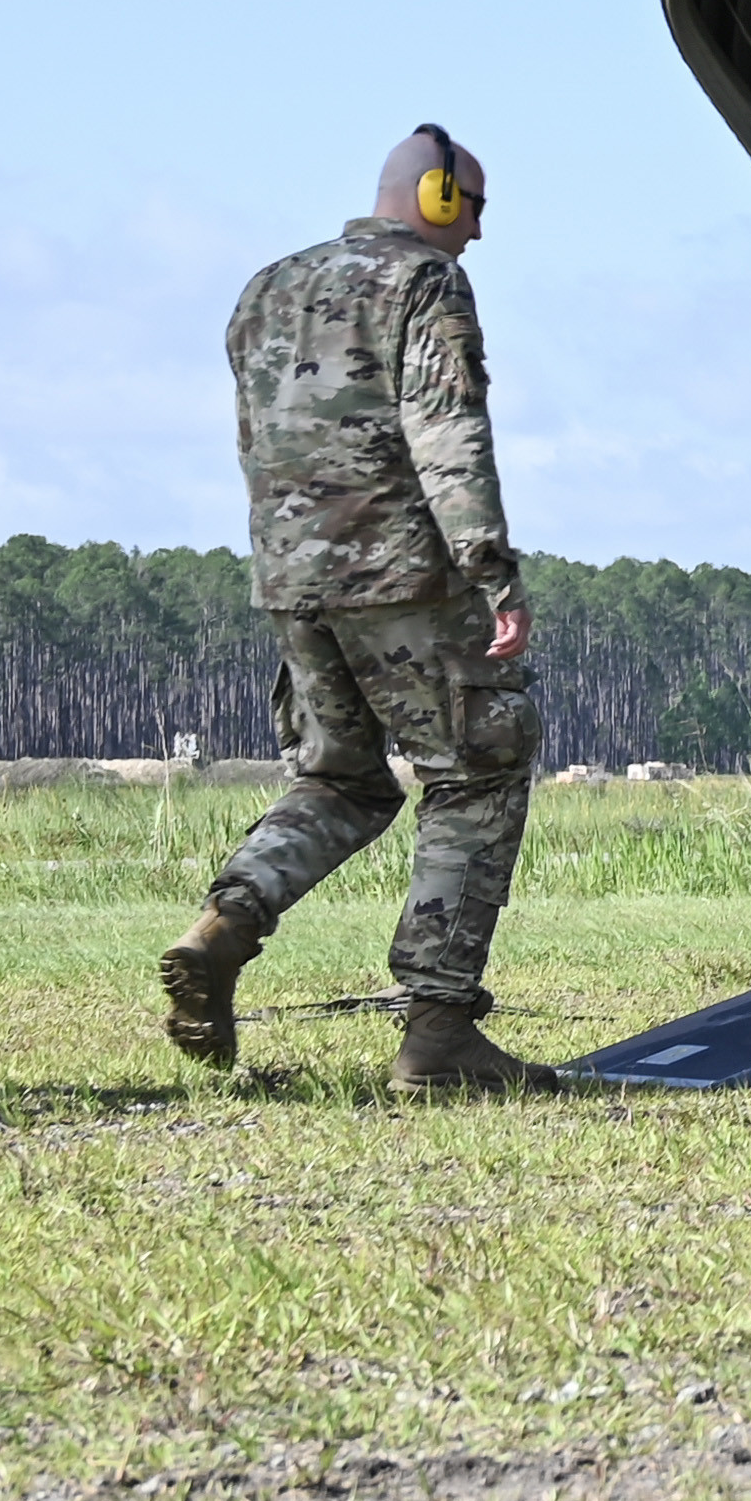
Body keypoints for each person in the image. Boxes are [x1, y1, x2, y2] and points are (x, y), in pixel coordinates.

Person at [166, 129, 545, 1095]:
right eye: (478, 209)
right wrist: (489, 564)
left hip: (294, 581)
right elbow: (446, 425)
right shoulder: (425, 283)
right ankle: (439, 1029)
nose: (480, 233)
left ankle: (226, 922)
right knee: (477, 769)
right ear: (440, 194)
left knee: (343, 781)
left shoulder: (267, 285)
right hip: (403, 576)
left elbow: (260, 436)